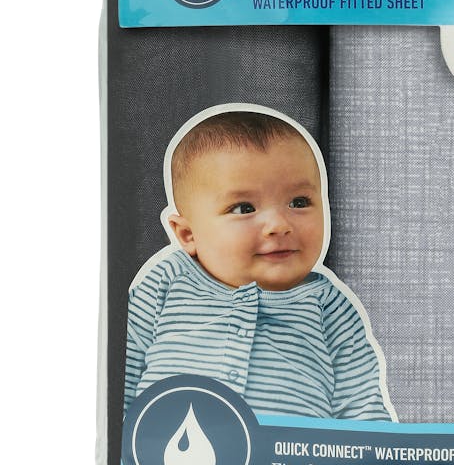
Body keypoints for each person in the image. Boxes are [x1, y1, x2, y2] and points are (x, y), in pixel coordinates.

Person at [124, 107, 394, 422]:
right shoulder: (167, 280)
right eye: (244, 208)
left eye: (299, 202)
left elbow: (362, 407)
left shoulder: (329, 305)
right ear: (187, 234)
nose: (279, 225)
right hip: (170, 445)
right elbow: (120, 374)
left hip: (287, 452)